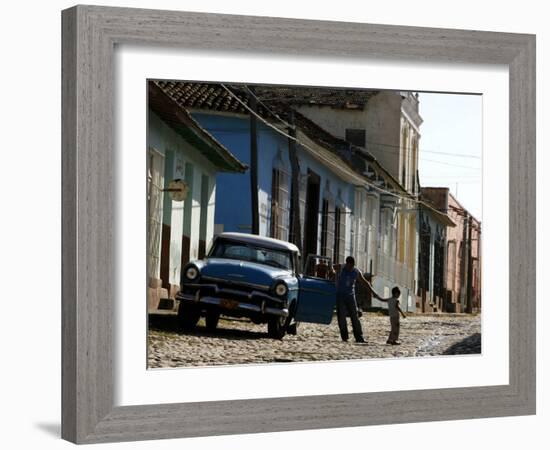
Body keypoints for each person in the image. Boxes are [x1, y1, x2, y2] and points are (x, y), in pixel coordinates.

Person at [335, 256, 377, 343]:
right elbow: (331, 267)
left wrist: (373, 292)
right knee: (342, 317)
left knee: (355, 316)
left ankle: (359, 337)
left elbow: (365, 282)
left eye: (352, 266)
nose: (350, 268)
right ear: (346, 264)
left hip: (351, 296)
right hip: (340, 296)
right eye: (349, 266)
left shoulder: (356, 272)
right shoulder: (341, 267)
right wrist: (333, 274)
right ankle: (344, 336)